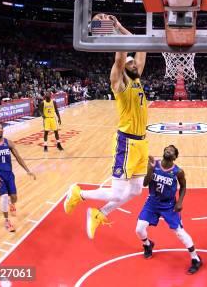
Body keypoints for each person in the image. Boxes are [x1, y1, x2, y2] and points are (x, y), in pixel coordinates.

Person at [63, 14, 149, 239]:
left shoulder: (137, 77)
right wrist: (116, 36)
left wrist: (119, 26)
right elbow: (121, 59)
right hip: (127, 141)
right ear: (125, 66)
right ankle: (79, 194)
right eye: (131, 62)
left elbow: (141, 46)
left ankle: (99, 213)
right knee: (119, 192)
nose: (134, 63)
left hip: (142, 142)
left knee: (137, 190)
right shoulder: (119, 83)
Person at [136, 145, 203, 275]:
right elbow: (145, 184)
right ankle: (147, 244)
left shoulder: (178, 171)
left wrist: (180, 201)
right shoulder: (153, 164)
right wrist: (150, 170)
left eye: (172, 150)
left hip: (169, 205)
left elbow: (183, 187)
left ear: (174, 157)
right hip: (152, 202)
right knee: (139, 229)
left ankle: (195, 258)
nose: (168, 150)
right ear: (163, 152)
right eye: (167, 148)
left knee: (179, 232)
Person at [0, 123, 36, 232]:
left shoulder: (9, 143)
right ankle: (7, 221)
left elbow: (18, 157)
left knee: (14, 197)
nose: (1, 130)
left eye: (2, 128)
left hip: (9, 174)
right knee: (3, 196)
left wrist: (28, 170)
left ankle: (11, 204)